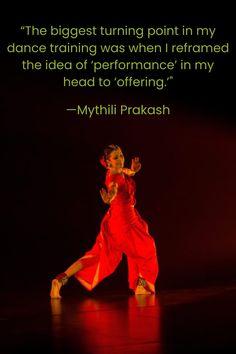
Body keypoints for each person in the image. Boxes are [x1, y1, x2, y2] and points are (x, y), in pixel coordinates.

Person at [50, 144, 159, 298]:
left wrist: (133, 171)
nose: (121, 159)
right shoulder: (113, 178)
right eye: (116, 158)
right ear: (108, 163)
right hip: (125, 225)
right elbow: (113, 188)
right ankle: (141, 285)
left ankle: (59, 280)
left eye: (121, 155)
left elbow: (126, 172)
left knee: (96, 256)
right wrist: (110, 197)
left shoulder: (116, 171)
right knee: (147, 250)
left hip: (115, 223)